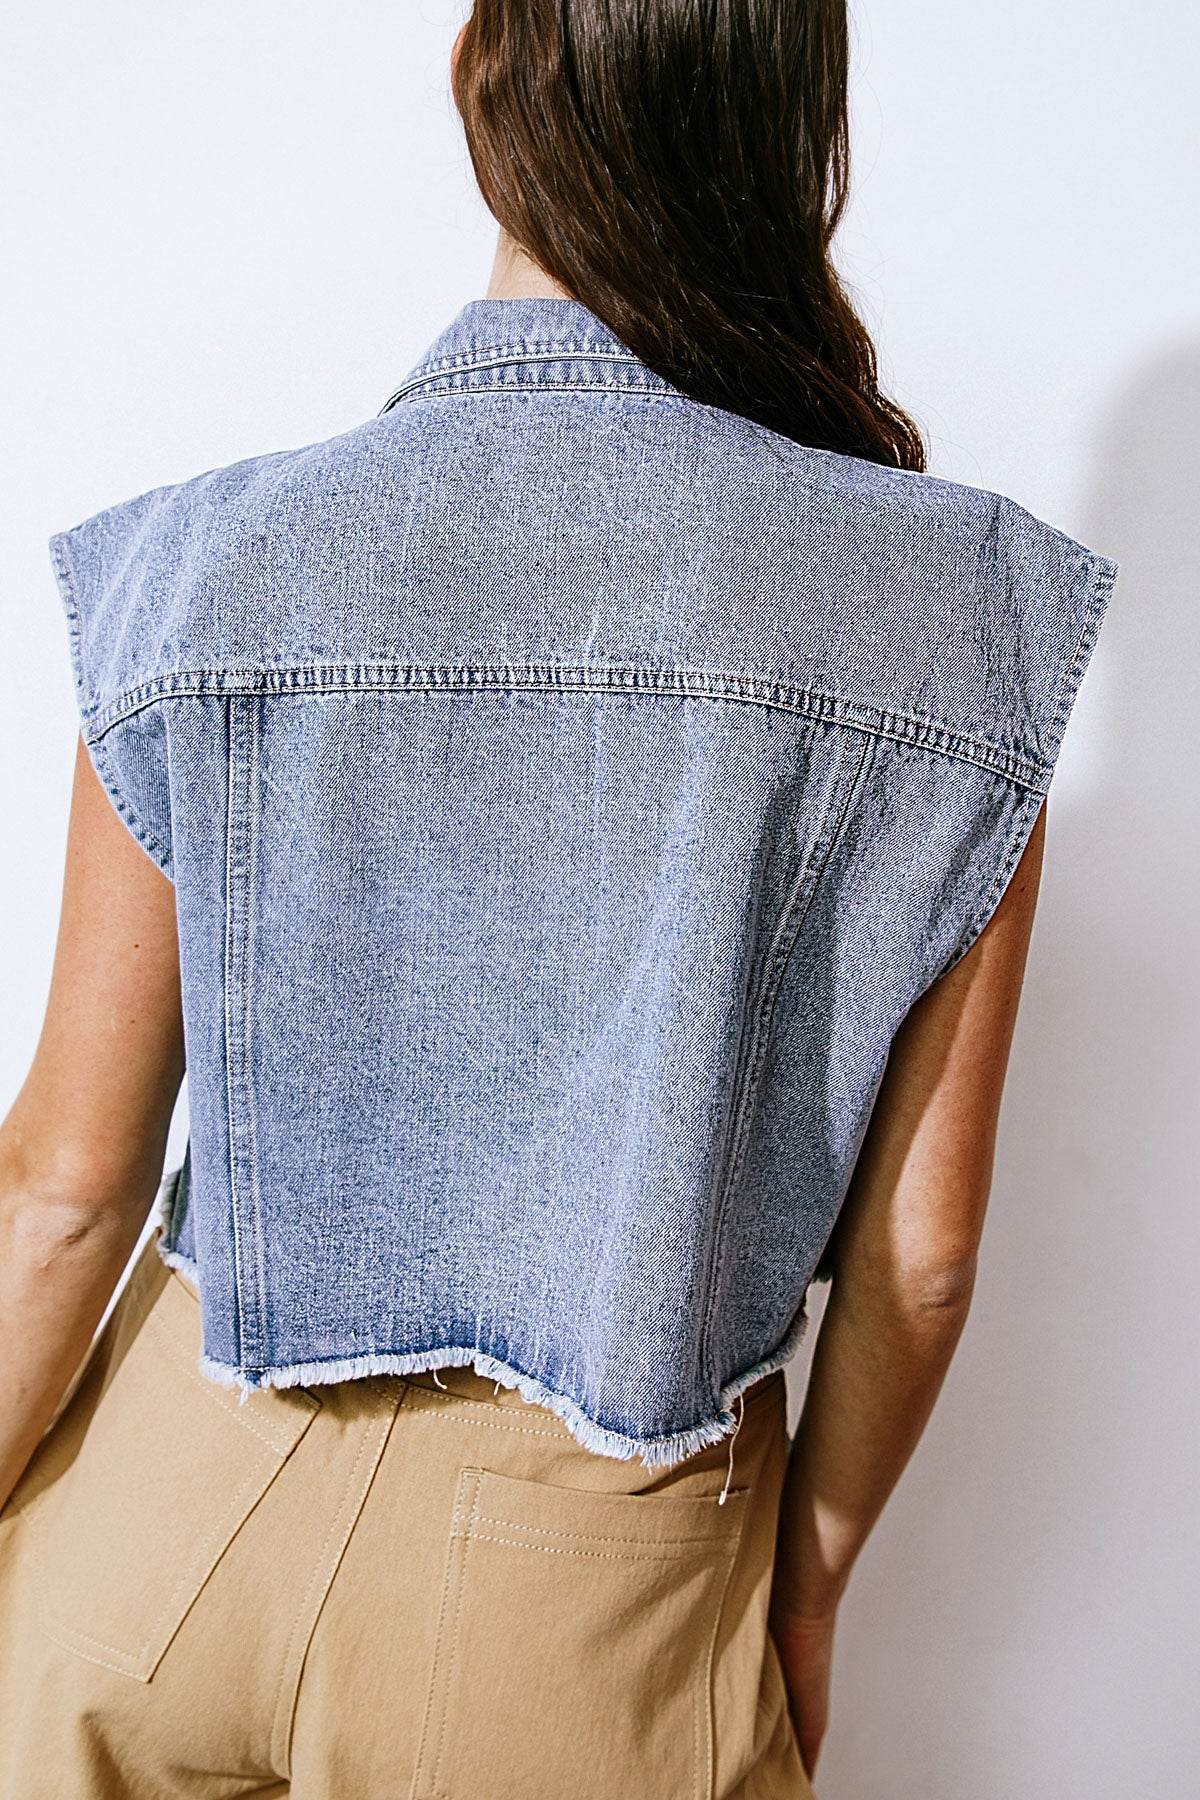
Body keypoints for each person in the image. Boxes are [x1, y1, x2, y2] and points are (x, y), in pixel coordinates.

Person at [0, 2, 1118, 1794]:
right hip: (584, 1598)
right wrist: (806, 1603)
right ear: (790, 136)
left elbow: (62, 1192)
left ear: (484, 88)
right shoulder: (962, 625)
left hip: (156, 1514)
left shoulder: (203, 564)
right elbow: (919, 1265)